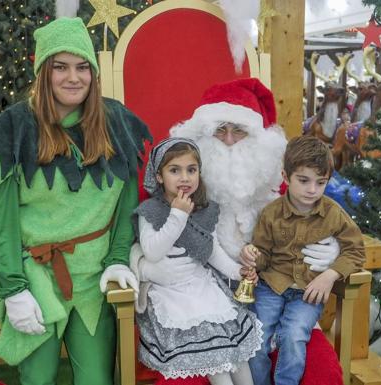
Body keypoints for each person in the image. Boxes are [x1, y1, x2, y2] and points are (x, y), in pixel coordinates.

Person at [132, 78, 344, 385]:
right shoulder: (178, 188)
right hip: (198, 307)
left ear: (259, 138)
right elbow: (140, 234)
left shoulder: (281, 186)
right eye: (220, 130)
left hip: (277, 303)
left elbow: (327, 221)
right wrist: (143, 264)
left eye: (239, 130)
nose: (229, 140)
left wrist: (332, 253)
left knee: (321, 374)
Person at [0, 17, 150, 385]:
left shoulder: (116, 121)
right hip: (35, 277)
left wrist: (118, 259)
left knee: (96, 380)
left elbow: (127, 202)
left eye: (82, 67)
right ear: (44, 72)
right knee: (37, 379)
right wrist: (13, 287)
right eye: (61, 67)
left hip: (94, 278)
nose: (73, 77)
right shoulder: (13, 128)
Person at [135, 137, 262, 385]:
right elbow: (152, 251)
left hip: (203, 289)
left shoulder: (204, 209)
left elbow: (211, 251)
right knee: (217, 364)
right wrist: (177, 215)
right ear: (159, 176)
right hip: (173, 296)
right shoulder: (150, 210)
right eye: (175, 170)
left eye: (191, 170)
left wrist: (239, 272)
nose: (184, 177)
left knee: (239, 361)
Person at [241, 135, 366, 385]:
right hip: (271, 287)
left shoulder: (333, 214)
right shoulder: (271, 214)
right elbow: (263, 257)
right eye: (304, 180)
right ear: (286, 177)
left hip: (308, 293)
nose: (312, 190)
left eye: (321, 182)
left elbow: (356, 251)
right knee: (258, 335)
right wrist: (253, 256)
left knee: (294, 334)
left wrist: (330, 276)